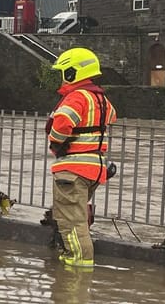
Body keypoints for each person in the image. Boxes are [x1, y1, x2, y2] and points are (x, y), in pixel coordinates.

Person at [46, 47, 118, 269]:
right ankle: (76, 261)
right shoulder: (102, 98)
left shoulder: (77, 97)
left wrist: (56, 143)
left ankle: (77, 267)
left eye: (64, 71)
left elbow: (62, 122)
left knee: (72, 223)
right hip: (95, 167)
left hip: (73, 169)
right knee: (78, 217)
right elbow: (113, 116)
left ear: (72, 72)